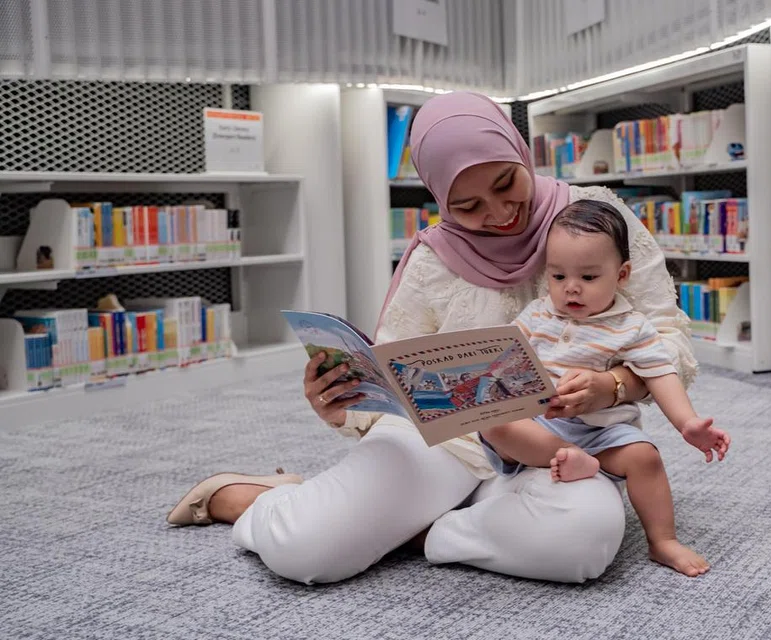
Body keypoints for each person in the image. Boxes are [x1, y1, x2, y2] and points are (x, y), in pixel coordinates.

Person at [166, 91, 699, 585]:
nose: (497, 214)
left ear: (521, 154)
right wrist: (339, 403)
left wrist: (614, 386)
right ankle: (257, 500)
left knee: (582, 544)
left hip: (562, 444)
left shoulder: (597, 218)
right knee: (305, 552)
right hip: (443, 439)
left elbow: (668, 334)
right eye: (466, 205)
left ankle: (414, 531)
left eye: (505, 184)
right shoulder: (430, 258)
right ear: (439, 196)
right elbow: (392, 371)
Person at [478, 198, 730, 577]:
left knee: (645, 457)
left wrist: (688, 423)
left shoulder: (631, 327)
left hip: (603, 431)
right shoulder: (537, 314)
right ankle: (571, 458)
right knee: (493, 424)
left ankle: (663, 541)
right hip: (540, 427)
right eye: (558, 276)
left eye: (589, 277)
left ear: (622, 274)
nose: (571, 289)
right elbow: (504, 359)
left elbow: (661, 374)